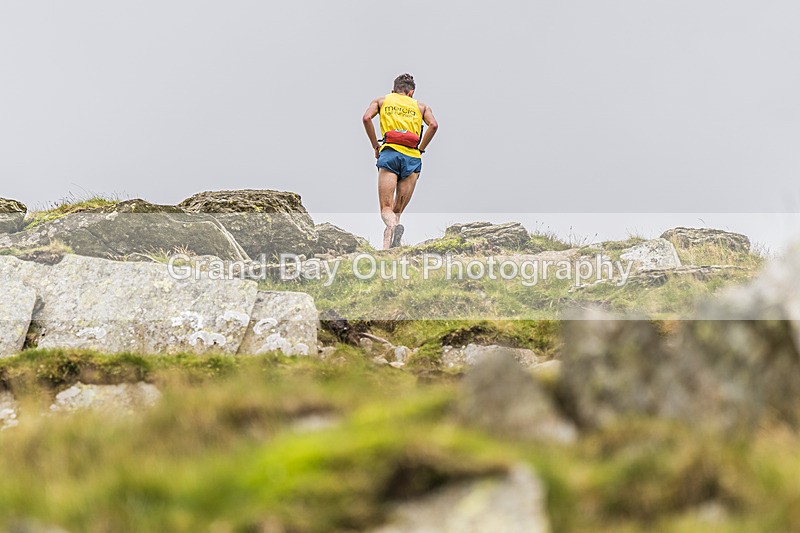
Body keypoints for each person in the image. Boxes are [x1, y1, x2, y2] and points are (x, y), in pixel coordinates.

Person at [362, 73, 438, 249]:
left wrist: (376, 146)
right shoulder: (421, 106)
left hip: (390, 153)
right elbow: (433, 125)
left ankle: (392, 231)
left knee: (386, 209)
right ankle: (389, 249)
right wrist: (421, 148)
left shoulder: (382, 101)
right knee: (397, 210)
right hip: (412, 158)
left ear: (393, 90)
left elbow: (366, 118)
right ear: (411, 93)